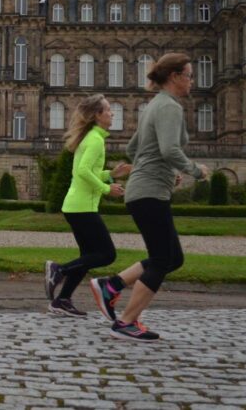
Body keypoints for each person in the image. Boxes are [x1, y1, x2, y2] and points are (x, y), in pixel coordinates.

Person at [89, 53, 210, 341]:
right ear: (175, 77)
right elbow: (168, 150)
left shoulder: (154, 106)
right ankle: (126, 321)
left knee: (172, 257)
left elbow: (134, 149)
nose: (192, 81)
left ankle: (112, 286)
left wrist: (162, 168)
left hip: (145, 189)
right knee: (162, 258)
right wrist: (195, 170)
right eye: (189, 75)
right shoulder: (169, 107)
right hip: (149, 191)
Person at [43, 94, 131, 316]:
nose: (112, 113)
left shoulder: (92, 137)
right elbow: (82, 172)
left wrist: (111, 174)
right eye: (108, 109)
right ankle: (58, 270)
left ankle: (61, 300)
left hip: (77, 206)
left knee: (86, 257)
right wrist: (106, 189)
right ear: (97, 115)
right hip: (81, 207)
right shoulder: (95, 140)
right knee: (107, 254)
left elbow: (87, 171)